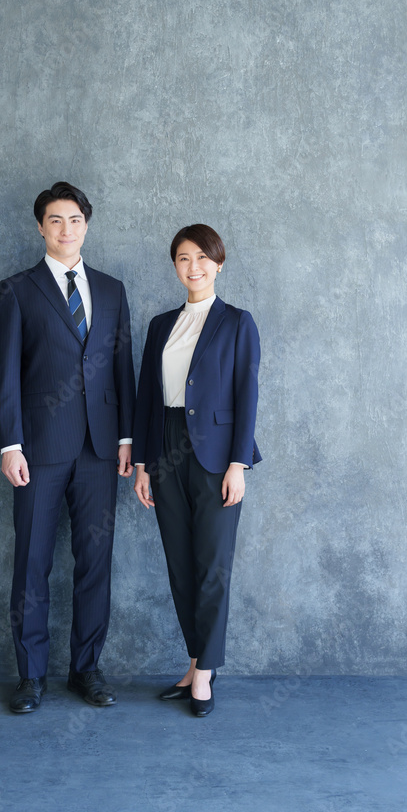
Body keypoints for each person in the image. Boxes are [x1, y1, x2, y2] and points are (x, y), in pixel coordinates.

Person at [0, 181, 135, 713]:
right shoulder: (16, 291)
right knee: (32, 561)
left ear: (86, 226)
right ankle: (30, 676)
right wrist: (10, 445)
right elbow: (5, 374)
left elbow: (122, 368)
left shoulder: (112, 290)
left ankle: (85, 669)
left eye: (74, 220)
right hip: (39, 449)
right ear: (40, 227)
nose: (65, 229)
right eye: (55, 220)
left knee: (95, 562)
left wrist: (126, 439)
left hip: (100, 449)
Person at [133, 224, 261, 716]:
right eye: (185, 258)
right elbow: (147, 397)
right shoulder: (160, 325)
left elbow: (247, 396)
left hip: (216, 454)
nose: (194, 267)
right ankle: (193, 662)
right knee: (181, 566)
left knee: (212, 566)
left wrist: (238, 464)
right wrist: (143, 463)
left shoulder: (237, 323)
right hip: (165, 445)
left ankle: (205, 672)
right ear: (175, 266)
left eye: (204, 258)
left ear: (219, 264)